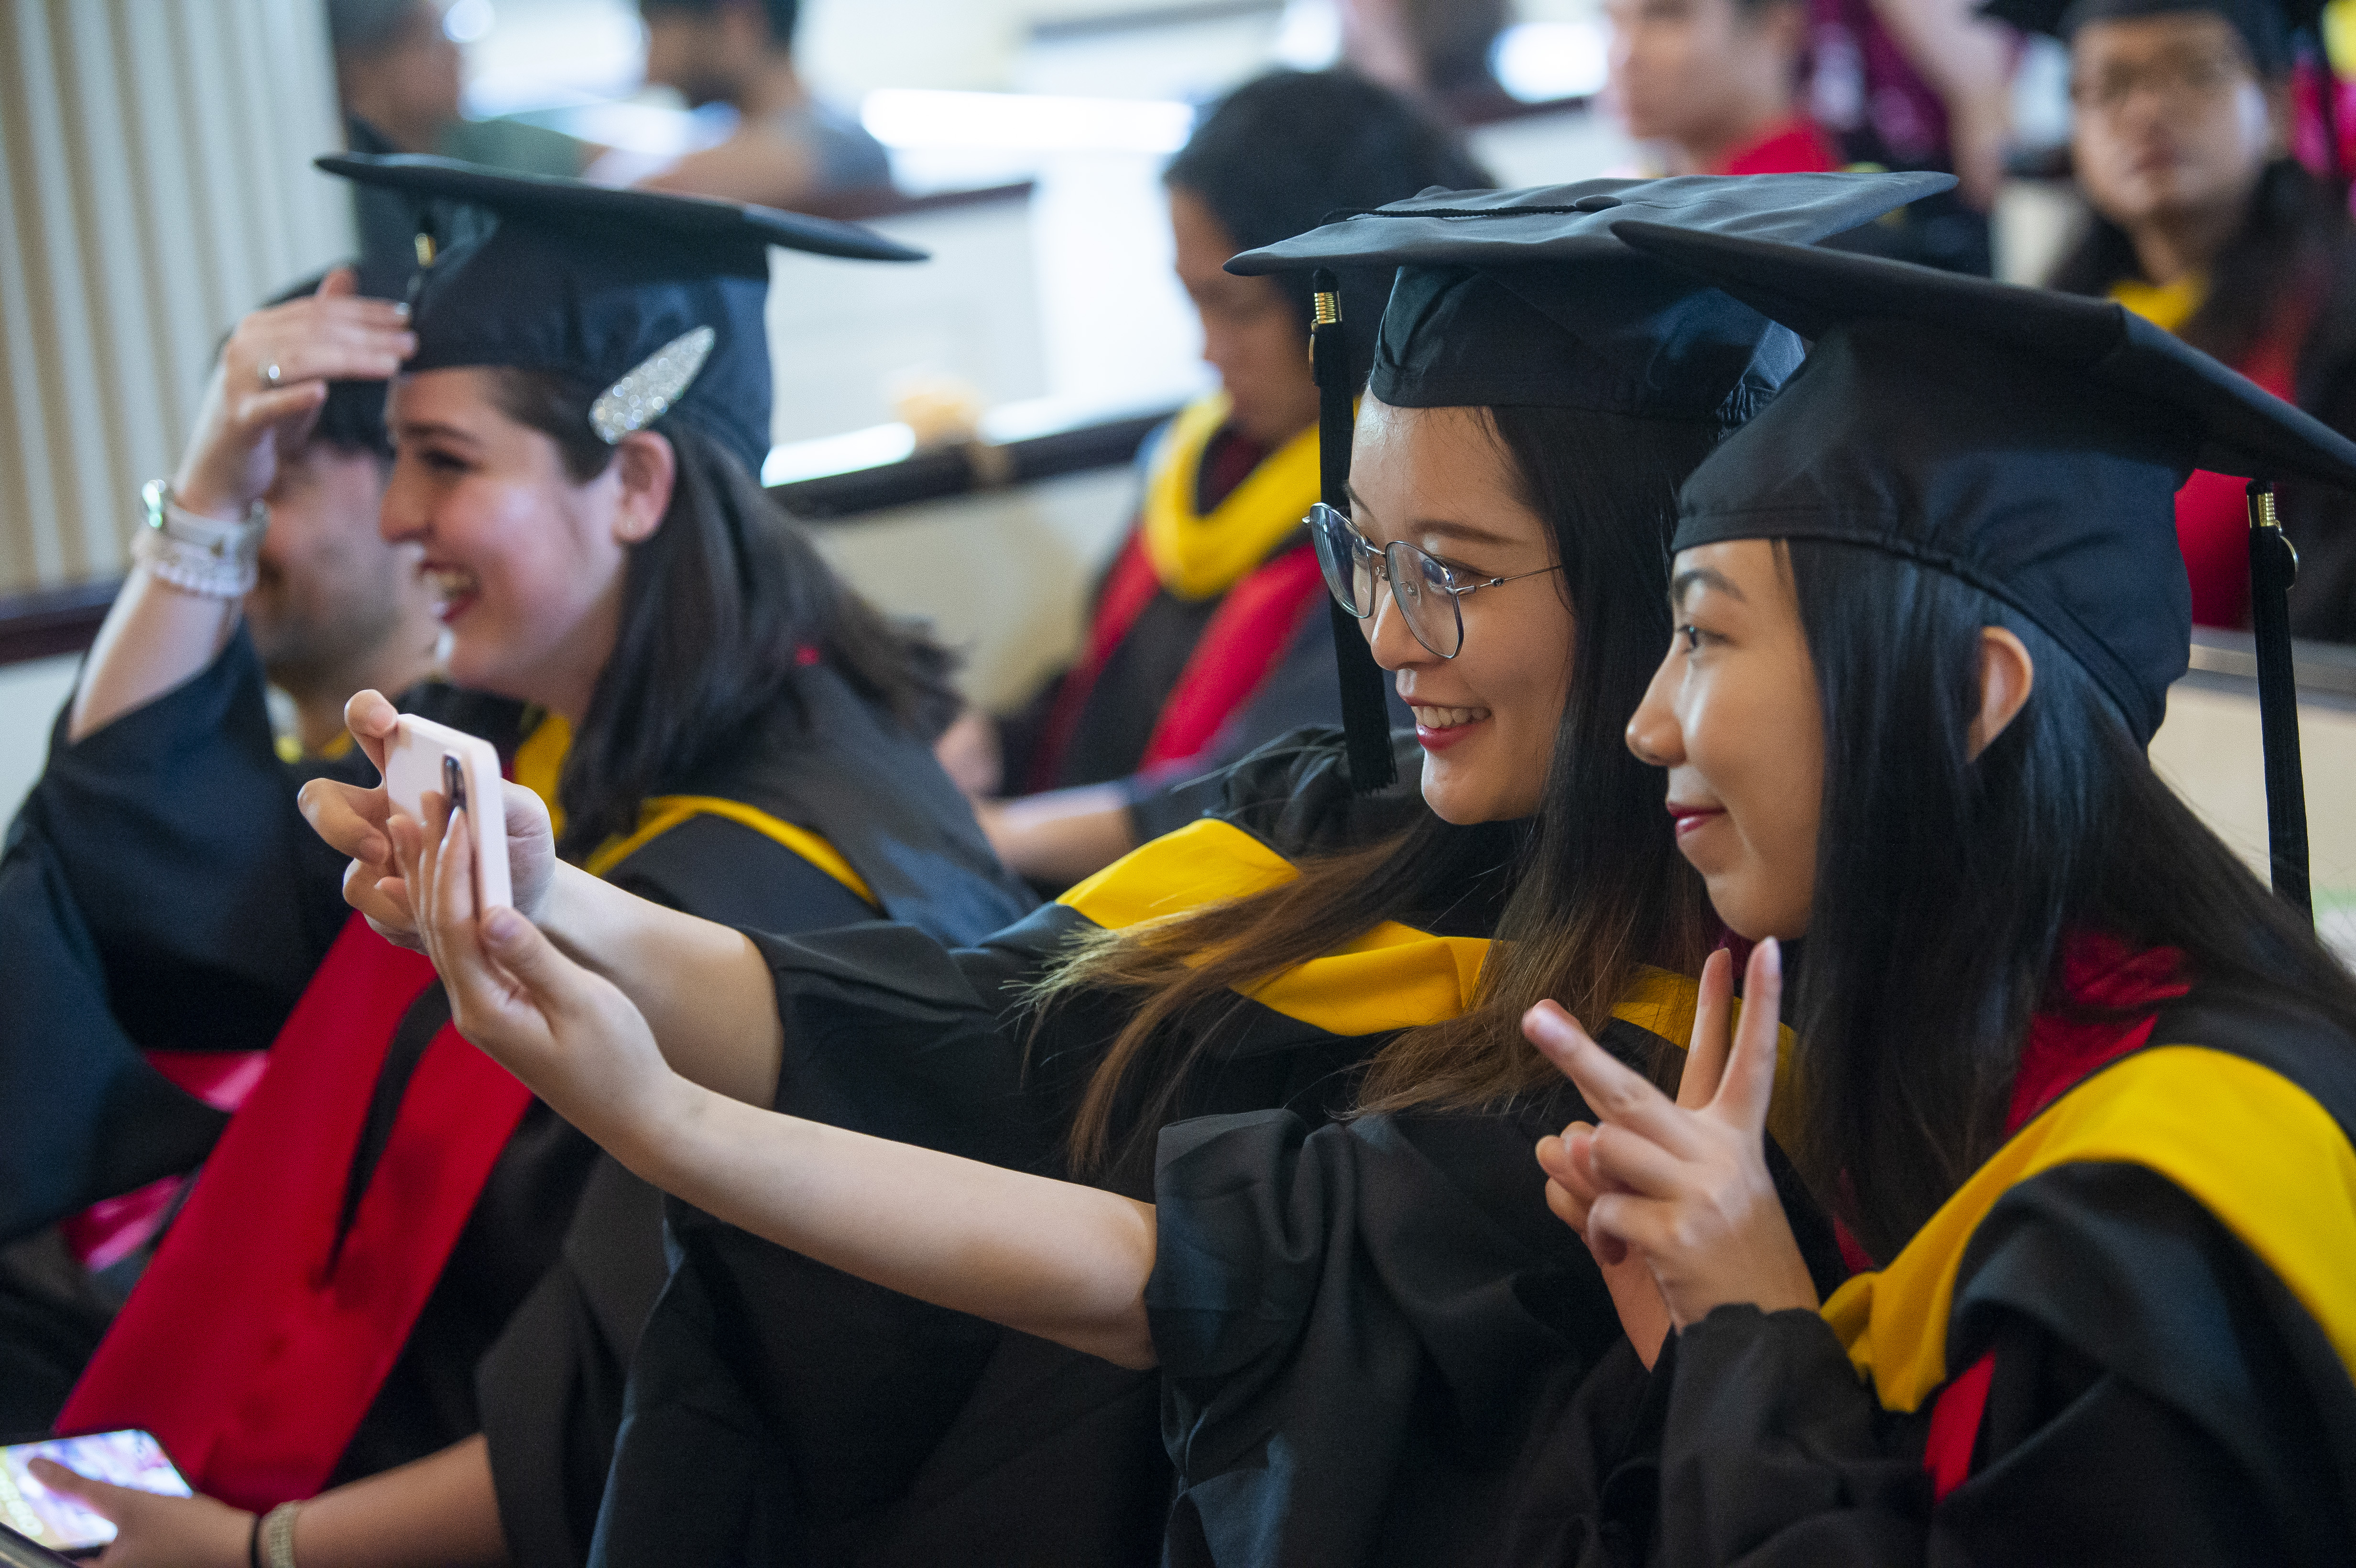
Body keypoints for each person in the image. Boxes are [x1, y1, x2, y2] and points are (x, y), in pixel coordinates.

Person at [303, 171, 1945, 1567]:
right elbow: (966, 1032)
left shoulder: (1698, 1021)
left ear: (1647, 580)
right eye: (1361, 556)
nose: (1380, 638)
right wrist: (543, 892)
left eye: (1447, 572)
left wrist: (660, 1118)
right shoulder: (1343, 824)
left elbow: (1193, 1279)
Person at [29, 159, 1031, 1568]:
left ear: (630, 480)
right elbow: (150, 874)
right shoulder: (520, 749)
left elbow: (665, 1396)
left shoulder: (781, 886)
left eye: (443, 461)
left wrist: (257, 1554)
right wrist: (210, 496)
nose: (391, 519)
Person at [1521, 219, 2356, 1559]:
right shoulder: (1935, 1049)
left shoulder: (2178, 1209)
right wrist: (1695, 1340)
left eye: (1706, 635)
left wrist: (1754, 1328)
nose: (1647, 724)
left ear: (1974, 695)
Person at [0, 267, 439, 1437]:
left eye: (276, 479)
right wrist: (207, 493)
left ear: (415, 492)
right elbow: (111, 828)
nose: (238, 535)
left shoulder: (456, 804)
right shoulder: (267, 774)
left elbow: (122, 824)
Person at [972, 70, 1485, 888]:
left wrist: (993, 839)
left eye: (1236, 310)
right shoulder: (1202, 456)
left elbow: (1289, 787)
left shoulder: (1404, 511)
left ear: (1345, 295)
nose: (1206, 353)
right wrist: (991, 744)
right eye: (1193, 304)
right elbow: (1106, 691)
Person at [2028, 0, 2356, 637]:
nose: (2146, 110)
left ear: (2280, 107)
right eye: (2108, 86)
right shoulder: (2046, 330)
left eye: (2196, 71)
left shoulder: (2336, 325)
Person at [633, 0, 892, 209]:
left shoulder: (845, 147)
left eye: (653, 34)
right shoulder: (719, 135)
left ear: (739, 22)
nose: (650, 72)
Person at [329, 0, 589, 176]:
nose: (456, 53)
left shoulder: (485, 144)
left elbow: (615, 164)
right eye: (432, 38)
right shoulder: (342, 176)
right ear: (359, 69)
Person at [1605, 0, 1852, 173]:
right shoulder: (1648, 188)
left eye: (1667, 14)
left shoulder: (1785, 218)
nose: (1624, 56)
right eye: (1612, 19)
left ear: (1777, 25)